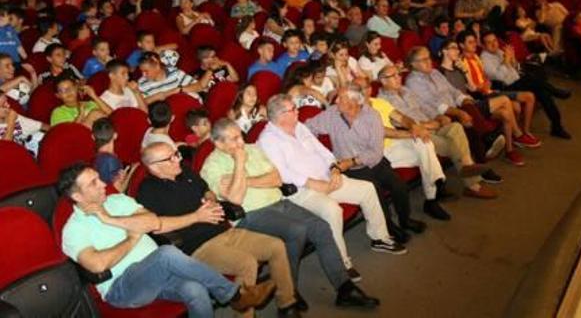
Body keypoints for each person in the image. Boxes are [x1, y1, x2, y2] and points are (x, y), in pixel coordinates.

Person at [200, 119, 380, 309]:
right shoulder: (211, 166)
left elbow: (276, 179)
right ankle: (289, 291)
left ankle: (344, 288)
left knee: (320, 227)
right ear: (219, 144)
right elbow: (235, 198)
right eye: (234, 139)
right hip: (250, 214)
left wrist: (244, 179)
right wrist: (239, 163)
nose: (241, 143)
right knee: (296, 230)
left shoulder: (253, 149)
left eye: (240, 136)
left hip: (279, 202)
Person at [57, 162, 273, 318]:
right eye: (93, 183)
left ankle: (233, 295)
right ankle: (234, 295)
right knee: (166, 254)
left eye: (99, 178)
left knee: (196, 291)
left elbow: (152, 222)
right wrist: (132, 239)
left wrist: (110, 219)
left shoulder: (117, 201)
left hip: (157, 273)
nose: (104, 183)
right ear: (77, 196)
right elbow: (97, 264)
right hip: (122, 287)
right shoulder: (73, 229)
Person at [137, 142, 300, 318]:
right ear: (154, 167)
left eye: (176, 153)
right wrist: (196, 217)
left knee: (276, 246)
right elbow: (156, 225)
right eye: (171, 158)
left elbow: (206, 190)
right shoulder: (147, 190)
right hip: (198, 247)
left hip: (223, 231)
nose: (178, 159)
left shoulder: (185, 172)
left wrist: (211, 199)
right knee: (247, 263)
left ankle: (287, 304)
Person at [259, 94, 403, 278]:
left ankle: (380, 238)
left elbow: (323, 150)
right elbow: (283, 174)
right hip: (302, 190)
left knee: (367, 189)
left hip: (326, 177)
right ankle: (341, 262)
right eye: (293, 109)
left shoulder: (299, 127)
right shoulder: (268, 139)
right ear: (281, 116)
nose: (298, 111)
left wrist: (334, 168)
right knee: (332, 210)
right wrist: (313, 183)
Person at [304, 86, 427, 241]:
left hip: (373, 161)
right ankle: (389, 227)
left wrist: (353, 161)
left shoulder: (372, 117)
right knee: (375, 192)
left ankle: (405, 220)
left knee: (399, 186)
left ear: (353, 101)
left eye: (340, 98)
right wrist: (310, 145)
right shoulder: (332, 113)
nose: (335, 101)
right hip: (350, 169)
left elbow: (375, 153)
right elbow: (308, 127)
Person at [377, 64, 502, 192]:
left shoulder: (406, 91)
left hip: (431, 123)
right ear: (383, 80)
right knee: (451, 144)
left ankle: (468, 168)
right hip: (419, 133)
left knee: (456, 127)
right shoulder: (382, 101)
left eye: (398, 74)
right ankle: (472, 183)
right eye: (393, 76)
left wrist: (438, 116)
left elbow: (424, 106)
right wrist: (428, 124)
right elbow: (397, 124)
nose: (398, 77)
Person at [405, 45, 509, 162]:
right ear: (413, 64)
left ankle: (484, 151)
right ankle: (487, 141)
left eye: (429, 58)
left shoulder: (435, 73)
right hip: (440, 115)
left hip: (455, 107)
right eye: (424, 60)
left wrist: (463, 99)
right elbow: (435, 105)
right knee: (467, 118)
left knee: (469, 108)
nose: (429, 61)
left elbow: (453, 90)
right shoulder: (413, 81)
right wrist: (459, 112)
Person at [369, 95, 452, 220]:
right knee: (427, 157)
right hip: (381, 152)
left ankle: (433, 193)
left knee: (425, 144)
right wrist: (412, 133)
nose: (362, 91)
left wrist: (414, 126)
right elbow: (382, 131)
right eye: (358, 89)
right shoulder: (355, 109)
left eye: (365, 87)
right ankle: (435, 189)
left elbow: (402, 118)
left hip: (397, 144)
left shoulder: (378, 102)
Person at [480, 32, 572, 139]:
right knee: (533, 80)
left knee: (544, 93)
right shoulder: (485, 59)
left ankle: (557, 127)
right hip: (505, 86)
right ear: (483, 45)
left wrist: (513, 59)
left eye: (494, 40)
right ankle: (555, 91)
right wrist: (506, 60)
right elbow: (499, 77)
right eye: (489, 42)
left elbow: (517, 69)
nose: (493, 44)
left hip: (517, 81)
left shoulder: (499, 52)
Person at [137, 52, 209, 104]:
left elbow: (198, 86)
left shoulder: (174, 72)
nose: (143, 74)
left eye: (146, 71)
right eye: (141, 71)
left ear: (157, 66)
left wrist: (180, 89)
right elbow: (142, 104)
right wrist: (170, 92)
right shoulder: (141, 83)